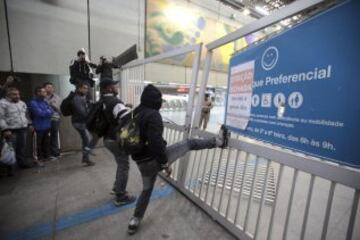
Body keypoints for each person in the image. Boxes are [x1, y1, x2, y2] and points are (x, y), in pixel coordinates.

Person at [126, 85, 230, 234]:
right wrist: (164, 163)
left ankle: (135, 220)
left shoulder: (136, 112)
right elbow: (155, 142)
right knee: (189, 143)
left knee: (146, 190)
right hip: (153, 159)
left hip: (141, 162)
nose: (161, 103)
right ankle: (219, 142)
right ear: (154, 101)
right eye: (159, 100)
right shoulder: (153, 115)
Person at [98, 78, 135, 206]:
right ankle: (121, 196)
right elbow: (126, 120)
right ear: (109, 88)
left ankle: (116, 187)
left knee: (120, 163)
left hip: (106, 138)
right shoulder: (115, 102)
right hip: (115, 139)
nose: (116, 87)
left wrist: (124, 106)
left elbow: (111, 116)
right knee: (124, 165)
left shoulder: (102, 101)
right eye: (114, 85)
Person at [0, 87, 33, 168]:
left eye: (18, 94)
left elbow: (26, 115)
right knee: (11, 149)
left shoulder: (22, 103)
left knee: (21, 148)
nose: (18, 96)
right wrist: (5, 129)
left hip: (22, 129)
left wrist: (30, 124)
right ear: (8, 95)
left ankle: (21, 164)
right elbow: (1, 118)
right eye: (14, 94)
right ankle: (10, 168)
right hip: (11, 131)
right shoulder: (2, 103)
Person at [71, 82, 97, 166]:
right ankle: (86, 157)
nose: (86, 90)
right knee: (87, 140)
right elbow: (82, 111)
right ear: (79, 88)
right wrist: (91, 114)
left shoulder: (83, 97)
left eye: (87, 88)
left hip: (83, 122)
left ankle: (86, 156)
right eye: (84, 88)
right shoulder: (77, 98)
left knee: (87, 139)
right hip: (79, 122)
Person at [29, 87, 53, 164]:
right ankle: (39, 159)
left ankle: (47, 156)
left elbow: (51, 111)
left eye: (45, 92)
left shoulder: (45, 102)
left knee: (46, 143)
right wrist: (47, 112)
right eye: (43, 92)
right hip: (38, 127)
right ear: (38, 93)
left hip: (47, 126)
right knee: (38, 144)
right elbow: (39, 114)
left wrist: (45, 112)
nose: (45, 93)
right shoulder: (33, 103)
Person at [44, 82, 62, 159]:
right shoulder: (42, 97)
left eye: (51, 87)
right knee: (45, 137)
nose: (50, 89)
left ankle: (55, 152)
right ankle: (47, 153)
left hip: (55, 118)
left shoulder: (57, 97)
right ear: (44, 88)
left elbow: (57, 108)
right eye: (48, 87)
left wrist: (48, 105)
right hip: (44, 119)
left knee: (54, 135)